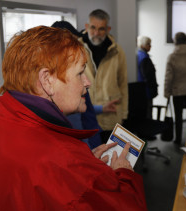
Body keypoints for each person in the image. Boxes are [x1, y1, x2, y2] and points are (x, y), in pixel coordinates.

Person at [0, 26, 154, 211]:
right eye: (80, 73)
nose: (87, 83)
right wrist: (123, 174)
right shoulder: (62, 160)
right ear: (47, 80)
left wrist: (86, 170)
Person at [51, 20, 117, 149]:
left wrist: (102, 108)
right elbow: (75, 129)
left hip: (93, 136)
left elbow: (84, 106)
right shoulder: (62, 83)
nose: (87, 83)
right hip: (87, 147)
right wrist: (89, 155)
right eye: (73, 43)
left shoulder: (71, 69)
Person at [80, 9, 128, 140]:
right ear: (86, 26)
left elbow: (123, 83)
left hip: (111, 117)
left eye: (101, 29)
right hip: (86, 116)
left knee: (110, 157)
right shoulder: (76, 48)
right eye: (93, 27)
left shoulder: (117, 51)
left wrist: (124, 114)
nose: (96, 33)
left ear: (108, 29)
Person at [164, 32, 186, 145]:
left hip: (177, 90)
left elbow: (168, 77)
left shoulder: (172, 57)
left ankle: (178, 139)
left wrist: (167, 92)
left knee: (178, 116)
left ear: (175, 41)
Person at [136, 35, 158, 118]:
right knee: (148, 115)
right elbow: (149, 77)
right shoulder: (145, 58)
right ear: (142, 45)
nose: (150, 46)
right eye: (148, 44)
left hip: (140, 91)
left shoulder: (138, 55)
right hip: (146, 91)